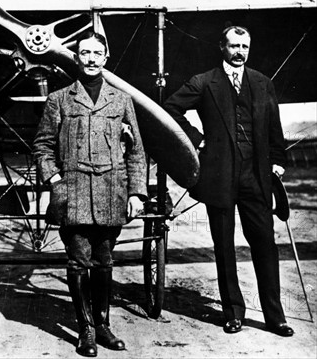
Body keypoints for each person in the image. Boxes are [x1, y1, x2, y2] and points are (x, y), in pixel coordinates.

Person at [164, 25, 294, 337]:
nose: (239, 52)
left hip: (256, 177)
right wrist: (197, 140)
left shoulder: (262, 83)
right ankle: (233, 312)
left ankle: (275, 317)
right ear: (222, 47)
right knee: (224, 247)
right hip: (219, 176)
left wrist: (277, 162)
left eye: (245, 46)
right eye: (234, 46)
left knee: (265, 244)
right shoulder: (204, 82)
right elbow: (171, 108)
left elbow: (274, 129)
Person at [33, 30, 147, 357]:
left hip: (111, 191)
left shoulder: (122, 100)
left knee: (104, 262)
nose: (92, 59)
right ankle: (86, 330)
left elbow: (137, 151)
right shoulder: (59, 99)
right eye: (85, 53)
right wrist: (56, 181)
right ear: (77, 58)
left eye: (97, 54)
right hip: (74, 192)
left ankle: (103, 324)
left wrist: (136, 193)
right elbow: (42, 147)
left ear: (105, 58)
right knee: (78, 262)